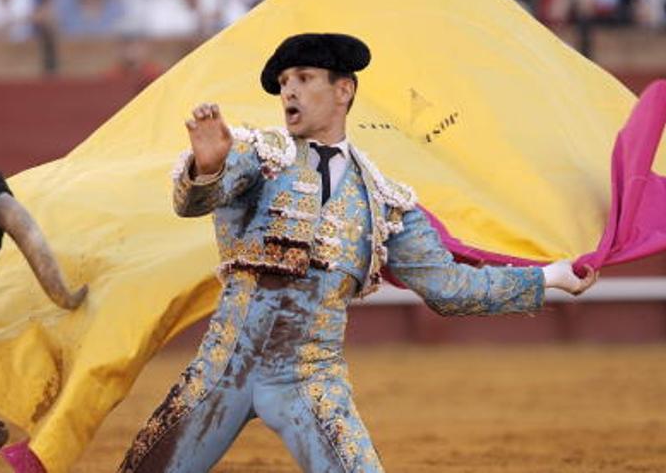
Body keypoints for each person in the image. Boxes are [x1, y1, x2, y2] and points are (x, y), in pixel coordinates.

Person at [118, 32, 598, 473]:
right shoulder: (257, 156)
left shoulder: (384, 201)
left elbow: (450, 288)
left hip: (307, 378)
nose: (289, 91)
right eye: (284, 82)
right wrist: (208, 165)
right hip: (222, 369)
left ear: (343, 90)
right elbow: (196, 201)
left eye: (304, 79)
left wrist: (549, 278)